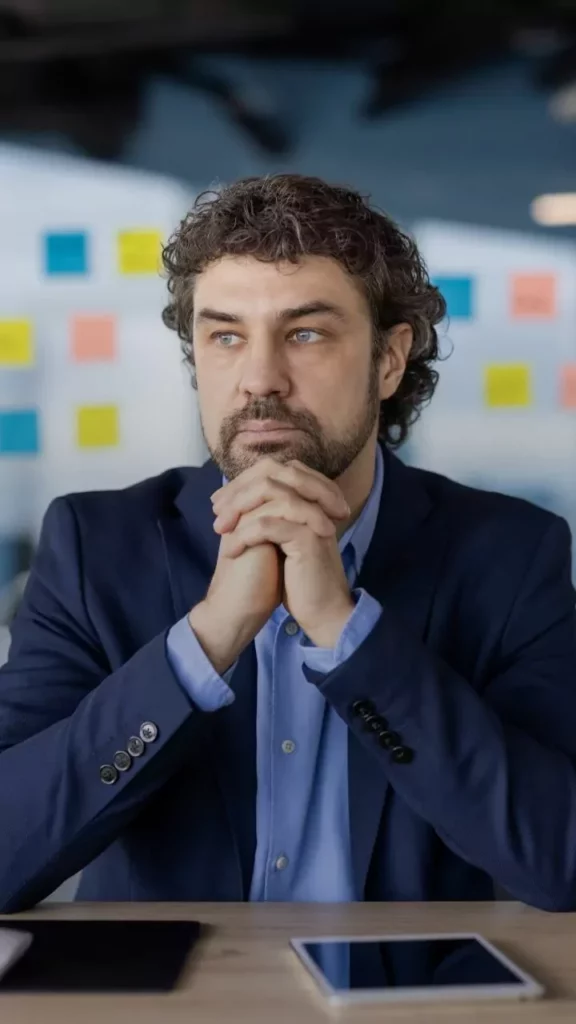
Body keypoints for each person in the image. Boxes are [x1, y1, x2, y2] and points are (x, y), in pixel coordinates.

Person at [1, 174, 576, 914]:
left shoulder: (511, 554)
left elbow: (561, 862)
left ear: (389, 360)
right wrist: (205, 640)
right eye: (226, 336)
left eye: (305, 333)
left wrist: (348, 633)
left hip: (402, 983)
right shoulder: (94, 548)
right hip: (174, 983)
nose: (259, 379)